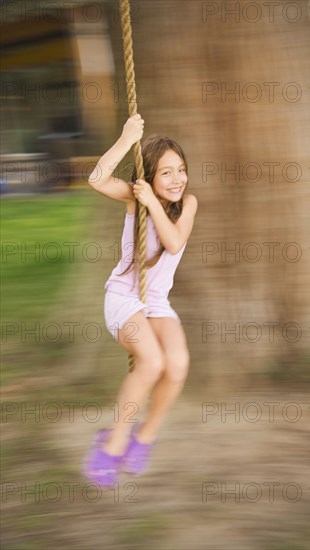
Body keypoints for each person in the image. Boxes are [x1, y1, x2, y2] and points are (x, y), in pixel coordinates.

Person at [83, 113, 198, 486]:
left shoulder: (189, 204)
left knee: (177, 364)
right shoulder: (135, 201)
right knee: (151, 361)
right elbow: (96, 179)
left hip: (157, 303)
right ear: (149, 177)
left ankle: (144, 436)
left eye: (180, 169)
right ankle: (112, 443)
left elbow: (174, 241)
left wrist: (151, 198)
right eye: (165, 172)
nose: (177, 178)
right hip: (124, 299)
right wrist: (125, 137)